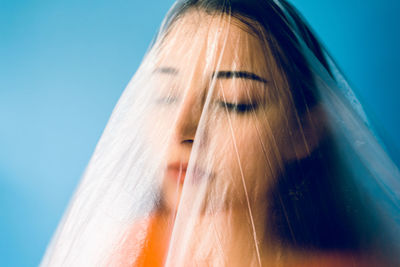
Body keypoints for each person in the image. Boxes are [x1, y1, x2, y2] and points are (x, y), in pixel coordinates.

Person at [41, 1, 400, 266]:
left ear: (303, 132)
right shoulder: (122, 253)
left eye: (234, 103)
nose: (183, 132)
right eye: (165, 95)